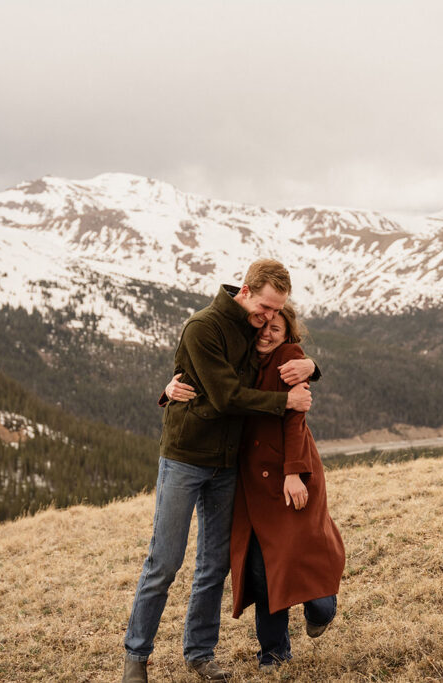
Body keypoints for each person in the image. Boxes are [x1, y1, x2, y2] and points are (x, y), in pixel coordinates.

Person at [122, 259, 319, 683]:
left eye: (276, 311)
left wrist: (311, 367)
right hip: (186, 458)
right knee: (165, 562)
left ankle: (199, 653)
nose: (269, 318)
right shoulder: (203, 326)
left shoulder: (254, 326)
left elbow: (280, 352)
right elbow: (228, 395)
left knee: (214, 565)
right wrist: (284, 402)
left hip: (227, 464)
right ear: (246, 290)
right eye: (266, 307)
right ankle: (136, 658)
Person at [229, 303, 345, 668]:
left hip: (293, 473)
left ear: (287, 334)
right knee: (264, 571)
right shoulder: (242, 354)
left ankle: (320, 611)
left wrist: (292, 473)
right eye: (263, 326)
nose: (266, 333)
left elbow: (296, 419)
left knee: (308, 549)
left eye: (275, 330)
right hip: (254, 482)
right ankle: (274, 651)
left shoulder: (290, 356)